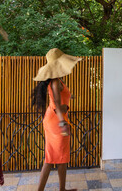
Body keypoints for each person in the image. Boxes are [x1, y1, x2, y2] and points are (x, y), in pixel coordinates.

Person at [31, 48, 81, 191]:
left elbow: (59, 99)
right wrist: (62, 122)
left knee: (59, 157)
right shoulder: (55, 82)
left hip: (54, 119)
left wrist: (69, 98)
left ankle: (62, 189)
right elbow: (57, 104)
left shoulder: (57, 80)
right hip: (56, 121)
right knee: (52, 158)